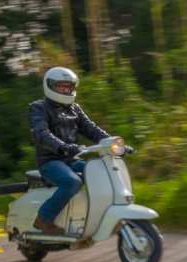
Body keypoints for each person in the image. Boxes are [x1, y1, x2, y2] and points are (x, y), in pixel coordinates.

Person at [28, 66, 130, 235]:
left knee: (103, 174)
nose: (66, 90)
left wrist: (116, 145)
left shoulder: (75, 108)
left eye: (69, 87)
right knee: (72, 182)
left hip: (71, 160)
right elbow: (41, 133)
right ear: (50, 86)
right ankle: (44, 219)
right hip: (50, 161)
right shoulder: (38, 107)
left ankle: (106, 217)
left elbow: (93, 130)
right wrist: (62, 146)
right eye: (61, 86)